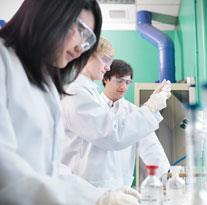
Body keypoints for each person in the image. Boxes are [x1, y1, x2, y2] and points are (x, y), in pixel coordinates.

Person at [0, 0, 152, 205]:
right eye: (80, 30)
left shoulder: (46, 85)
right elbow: (5, 170)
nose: (81, 47)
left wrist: (99, 197)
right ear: (48, 11)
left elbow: (50, 171)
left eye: (88, 38)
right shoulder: (3, 61)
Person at [63, 58, 170, 189]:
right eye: (119, 81)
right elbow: (112, 134)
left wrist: (167, 179)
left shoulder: (134, 113)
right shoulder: (90, 104)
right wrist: (150, 108)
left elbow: (151, 148)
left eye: (127, 82)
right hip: (87, 184)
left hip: (120, 186)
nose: (124, 86)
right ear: (105, 79)